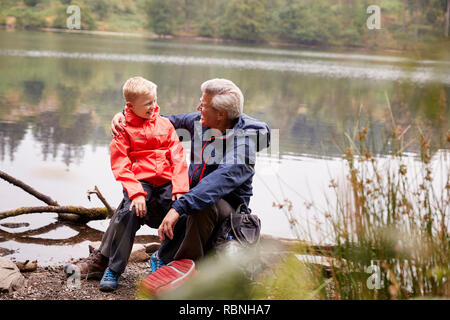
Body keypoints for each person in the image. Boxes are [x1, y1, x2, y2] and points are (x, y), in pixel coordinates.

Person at [67, 78, 270, 292]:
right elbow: (158, 121)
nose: (197, 108)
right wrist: (124, 116)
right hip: (192, 199)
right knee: (137, 193)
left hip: (223, 214)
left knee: (202, 202)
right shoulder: (203, 122)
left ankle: (180, 268)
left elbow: (217, 183)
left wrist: (178, 207)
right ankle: (104, 259)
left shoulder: (245, 142)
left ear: (221, 114)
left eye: (203, 105)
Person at [98, 76, 189, 292]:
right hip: (140, 182)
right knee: (128, 213)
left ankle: (161, 256)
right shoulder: (123, 129)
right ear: (130, 106)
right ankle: (114, 268)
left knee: (184, 211)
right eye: (148, 103)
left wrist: (179, 187)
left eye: (155, 101)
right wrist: (136, 193)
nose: (154, 106)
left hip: (167, 181)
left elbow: (178, 157)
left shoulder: (165, 124)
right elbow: (120, 164)